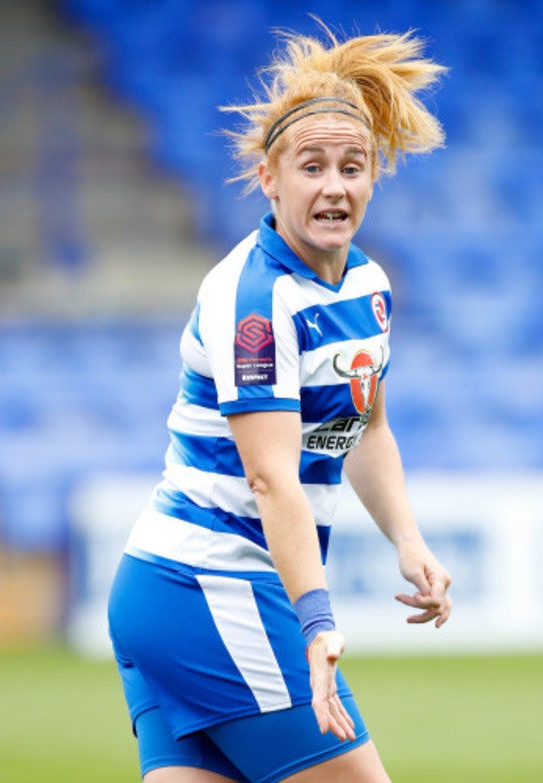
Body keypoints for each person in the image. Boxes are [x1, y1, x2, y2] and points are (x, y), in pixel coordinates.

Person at [108, 20, 452, 783]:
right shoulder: (253, 300)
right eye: (312, 167)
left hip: (180, 592)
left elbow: (365, 428)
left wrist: (408, 538)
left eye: (353, 166)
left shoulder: (368, 285)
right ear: (269, 176)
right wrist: (318, 619)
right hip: (210, 585)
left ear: (375, 176)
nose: (335, 185)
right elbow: (271, 478)